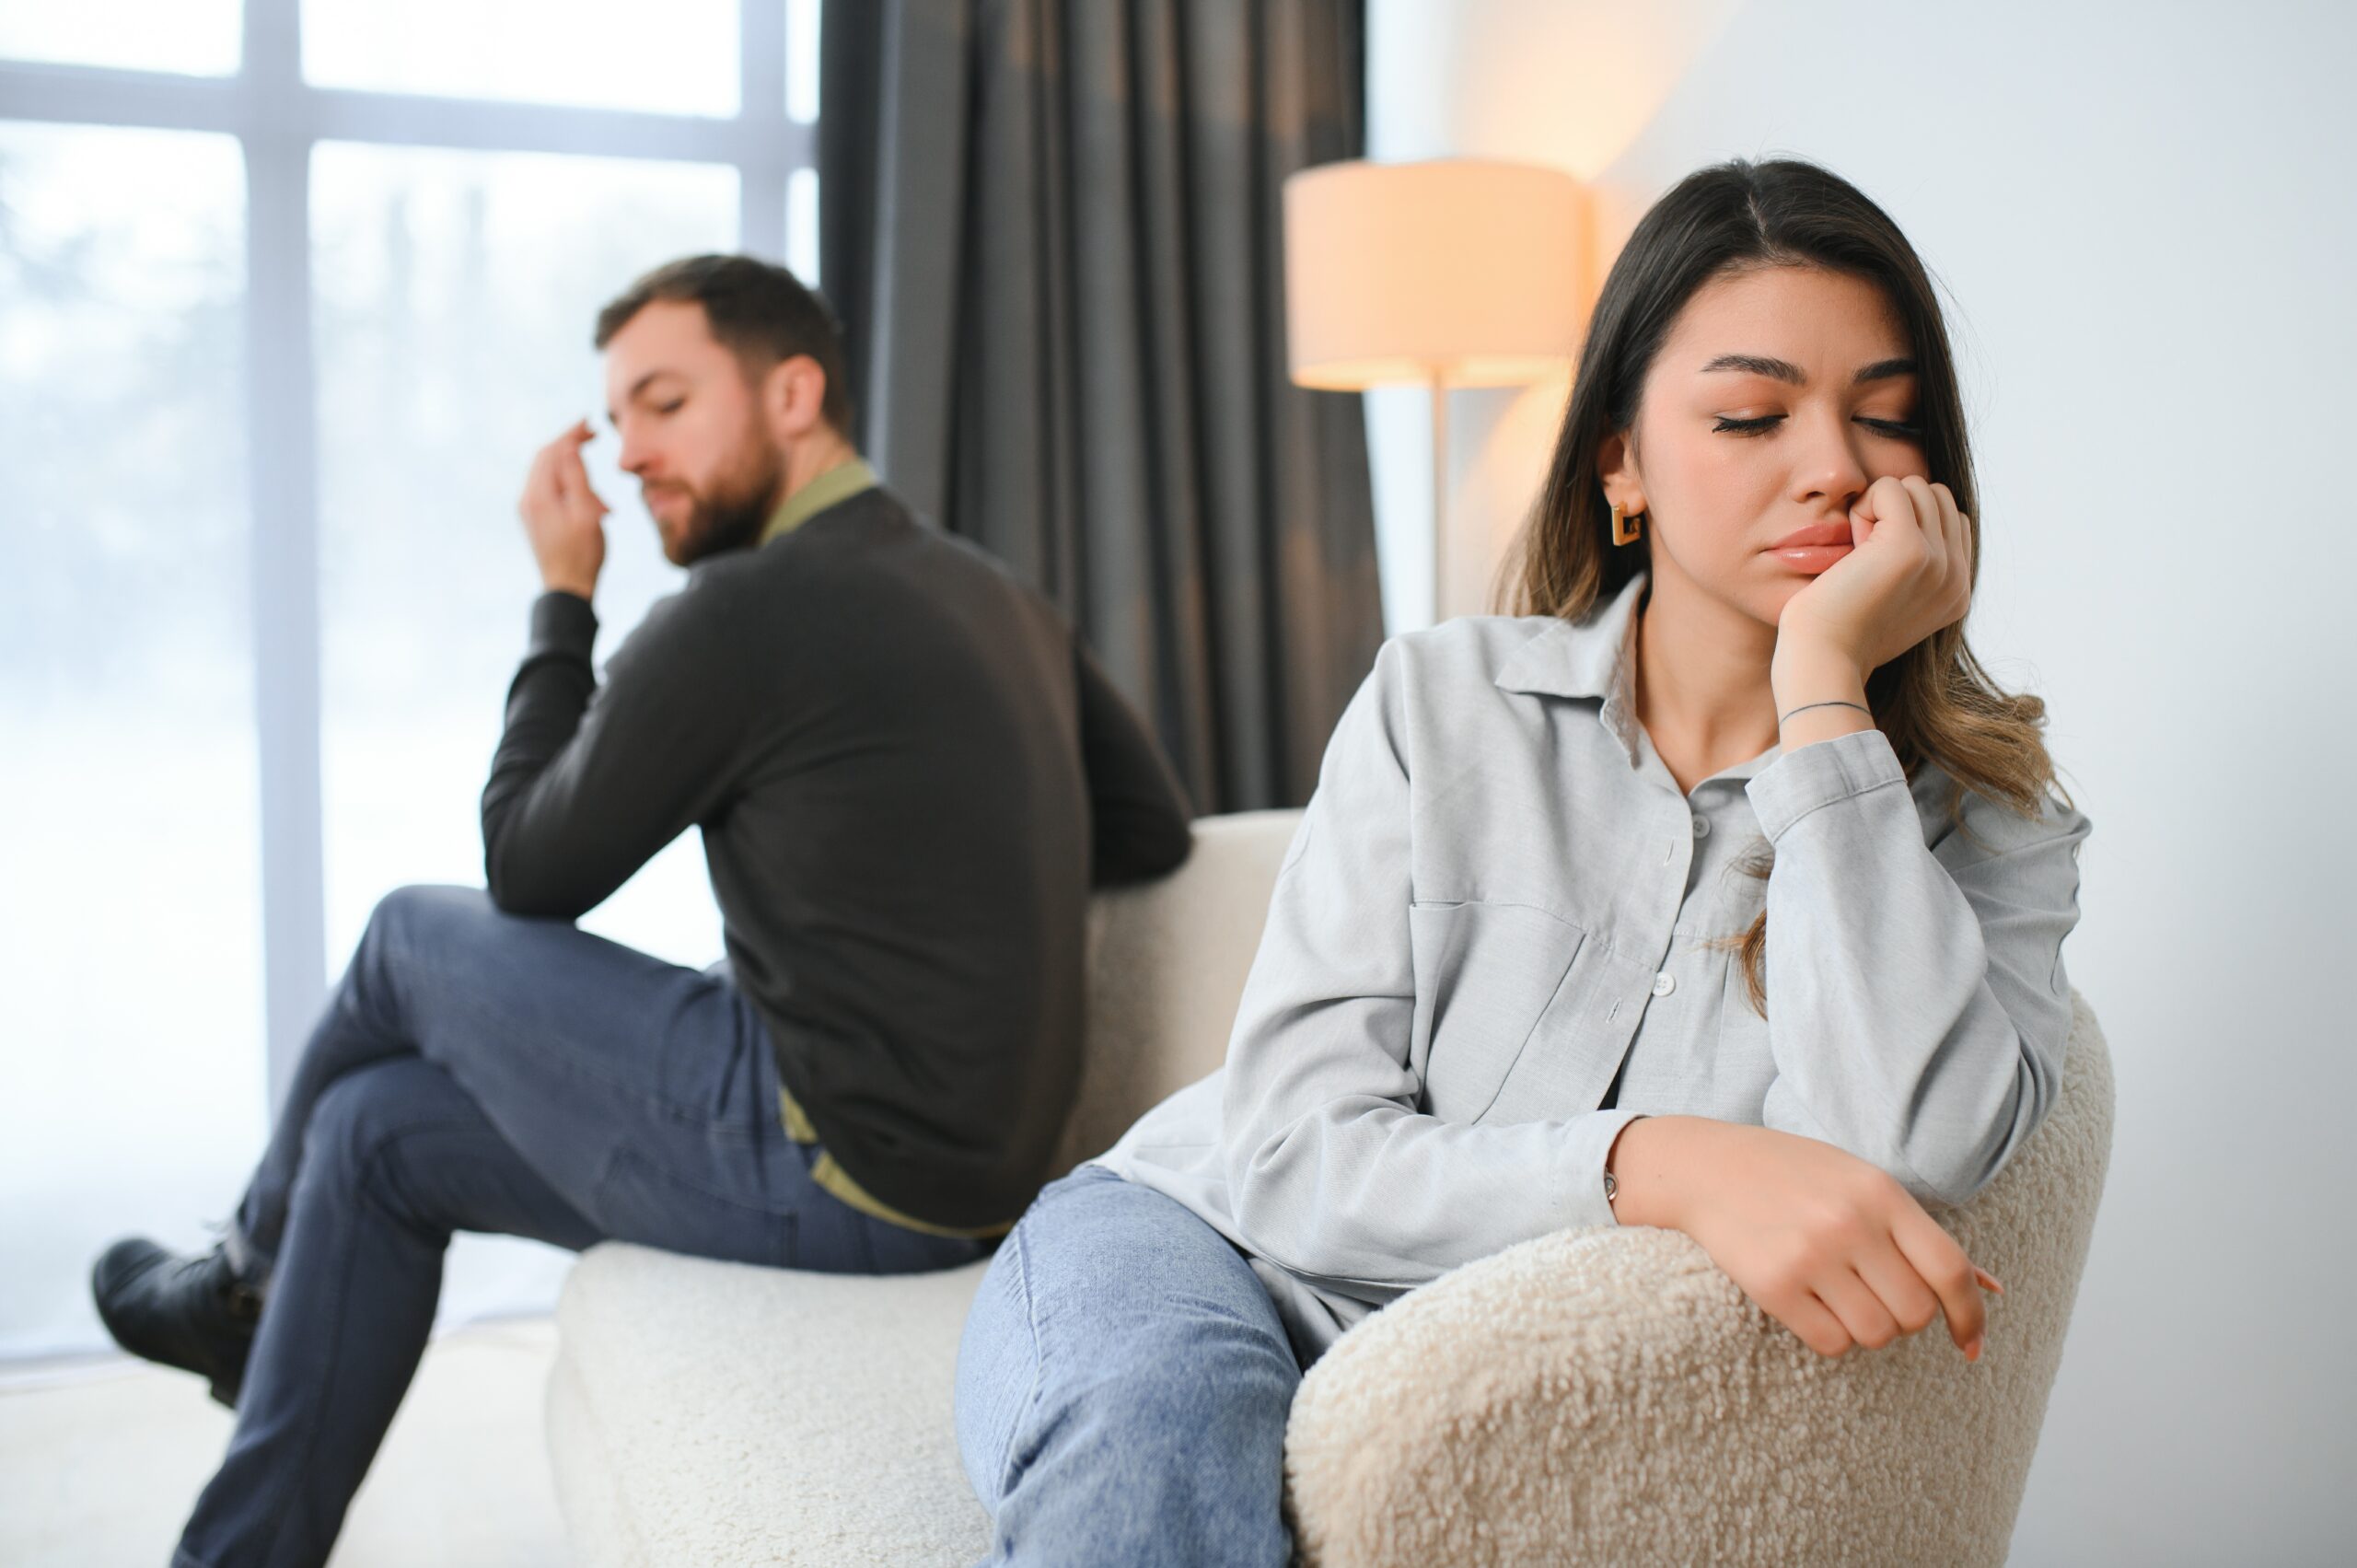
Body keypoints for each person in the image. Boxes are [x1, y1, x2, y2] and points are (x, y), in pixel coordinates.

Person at [949, 156, 2096, 1565]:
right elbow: (1294, 1160)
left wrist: (1824, 704)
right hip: (1198, 1249)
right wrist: (1652, 1161)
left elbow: (1917, 1146)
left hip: (1488, 1385)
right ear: (1620, 459)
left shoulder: (1991, 824)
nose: (1836, 469)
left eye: (1887, 418)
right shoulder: (1442, 702)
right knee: (1152, 1443)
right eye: (1751, 413)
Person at [88, 252, 1194, 1568]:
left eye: (663, 404)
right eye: (615, 419)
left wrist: (563, 594)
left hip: (844, 1166)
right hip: (963, 1179)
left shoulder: (742, 608)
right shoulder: (992, 591)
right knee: (373, 1131)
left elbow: (527, 869)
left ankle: (239, 1284)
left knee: (403, 936)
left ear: (795, 392)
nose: (627, 456)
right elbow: (1150, 828)